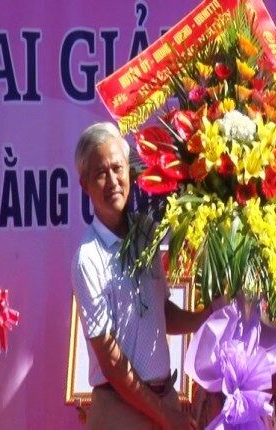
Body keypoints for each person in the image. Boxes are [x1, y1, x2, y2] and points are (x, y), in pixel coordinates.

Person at [71, 122, 207, 430]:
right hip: (120, 410)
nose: (112, 181)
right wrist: (166, 416)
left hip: (164, 399)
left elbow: (162, 313)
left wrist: (205, 317)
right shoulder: (87, 258)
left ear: (130, 172)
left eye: (117, 168)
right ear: (84, 184)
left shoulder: (146, 232)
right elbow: (112, 363)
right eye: (100, 173)